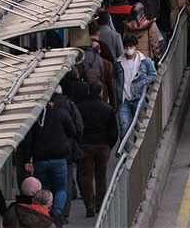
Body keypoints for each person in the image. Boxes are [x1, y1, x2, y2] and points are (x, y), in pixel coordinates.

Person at [18, 96, 75, 220]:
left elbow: (28, 140)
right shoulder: (62, 113)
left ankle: (45, 213)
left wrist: (27, 159)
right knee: (61, 188)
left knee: (44, 188)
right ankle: (58, 212)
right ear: (52, 103)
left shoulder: (34, 118)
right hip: (59, 158)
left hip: (40, 159)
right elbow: (72, 131)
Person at [77, 81, 118, 218]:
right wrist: (109, 146)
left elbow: (77, 127)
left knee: (86, 176)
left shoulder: (80, 107)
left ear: (89, 91)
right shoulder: (107, 109)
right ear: (101, 92)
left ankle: (89, 204)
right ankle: (100, 205)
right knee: (101, 176)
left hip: (85, 144)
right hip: (103, 145)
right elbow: (113, 131)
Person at [114, 35, 157, 144]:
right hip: (124, 100)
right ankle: (125, 153)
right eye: (126, 47)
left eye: (130, 47)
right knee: (124, 128)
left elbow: (153, 74)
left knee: (139, 128)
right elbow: (115, 78)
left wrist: (142, 83)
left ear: (136, 47)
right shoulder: (118, 62)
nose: (128, 49)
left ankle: (136, 150)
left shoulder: (145, 61)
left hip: (139, 99)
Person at [51, 85, 83, 221]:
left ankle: (48, 212)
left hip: (44, 152)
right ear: (62, 91)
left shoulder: (44, 106)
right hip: (65, 149)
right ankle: (62, 212)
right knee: (64, 184)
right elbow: (78, 127)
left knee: (48, 182)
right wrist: (75, 141)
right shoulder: (69, 105)